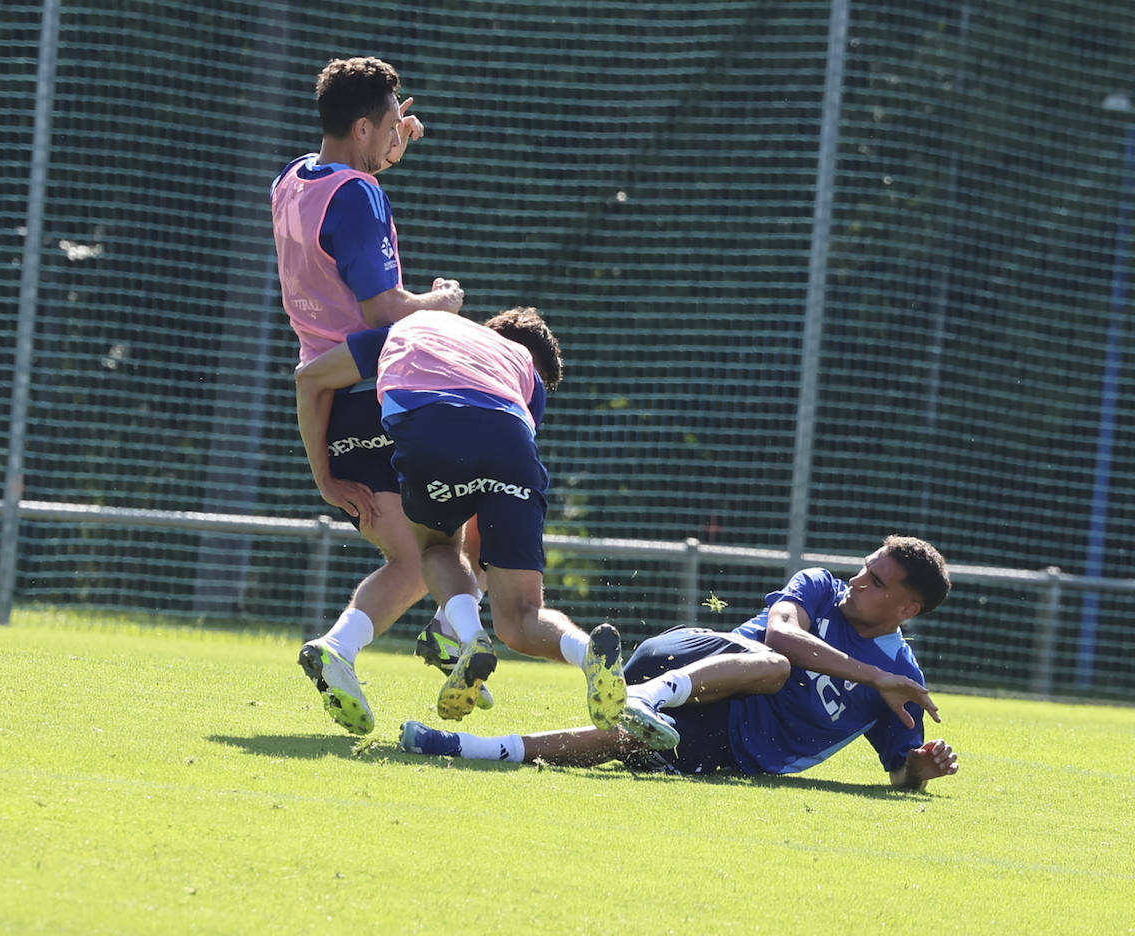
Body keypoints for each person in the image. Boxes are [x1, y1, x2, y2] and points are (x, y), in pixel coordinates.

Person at [400, 535, 961, 791]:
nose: (857, 580)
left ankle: (460, 747)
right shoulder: (820, 587)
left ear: (907, 608)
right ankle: (648, 697)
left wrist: (921, 768)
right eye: (865, 567)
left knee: (624, 743)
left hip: (729, 746)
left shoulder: (903, 682)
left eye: (875, 582)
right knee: (776, 665)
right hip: (688, 660)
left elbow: (899, 772)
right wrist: (873, 675)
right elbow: (782, 636)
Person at [295, 307, 628, 730]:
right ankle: (586, 652)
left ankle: (468, 637)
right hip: (509, 440)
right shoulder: (521, 367)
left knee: (435, 548)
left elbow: (310, 376)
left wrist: (324, 478)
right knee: (521, 615)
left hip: (427, 427)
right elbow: (488, 510)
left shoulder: (419, 324)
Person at [271, 56, 476, 735]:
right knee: (447, 538)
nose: (398, 133)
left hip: (331, 397)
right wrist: (441, 303)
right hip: (378, 387)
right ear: (363, 127)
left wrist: (386, 151)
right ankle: (430, 635)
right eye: (390, 124)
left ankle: (423, 634)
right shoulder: (359, 195)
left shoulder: (294, 178)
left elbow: (344, 214)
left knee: (428, 549)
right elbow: (383, 308)